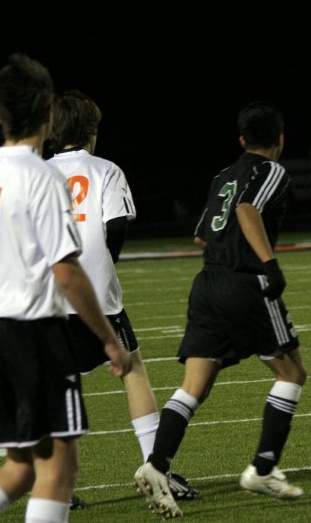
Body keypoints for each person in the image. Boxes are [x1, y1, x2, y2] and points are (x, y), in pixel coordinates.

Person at [0, 53, 131, 523]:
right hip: (34, 336)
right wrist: (107, 339)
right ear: (47, 114)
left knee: (21, 467)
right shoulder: (41, 178)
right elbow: (66, 271)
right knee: (59, 469)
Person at [133, 101, 306, 518]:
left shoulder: (222, 175)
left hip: (207, 283)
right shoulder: (271, 170)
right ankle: (263, 468)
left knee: (194, 384)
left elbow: (201, 237)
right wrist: (268, 263)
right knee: (292, 372)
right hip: (244, 282)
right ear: (280, 138)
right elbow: (247, 209)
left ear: (242, 139)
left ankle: (156, 466)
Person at [47, 89, 197, 509]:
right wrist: (103, 268)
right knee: (131, 370)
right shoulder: (106, 170)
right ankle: (157, 467)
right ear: (92, 132)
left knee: (58, 384)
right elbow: (115, 229)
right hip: (97, 295)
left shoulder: (36, 172)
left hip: (47, 296)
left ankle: (55, 485)